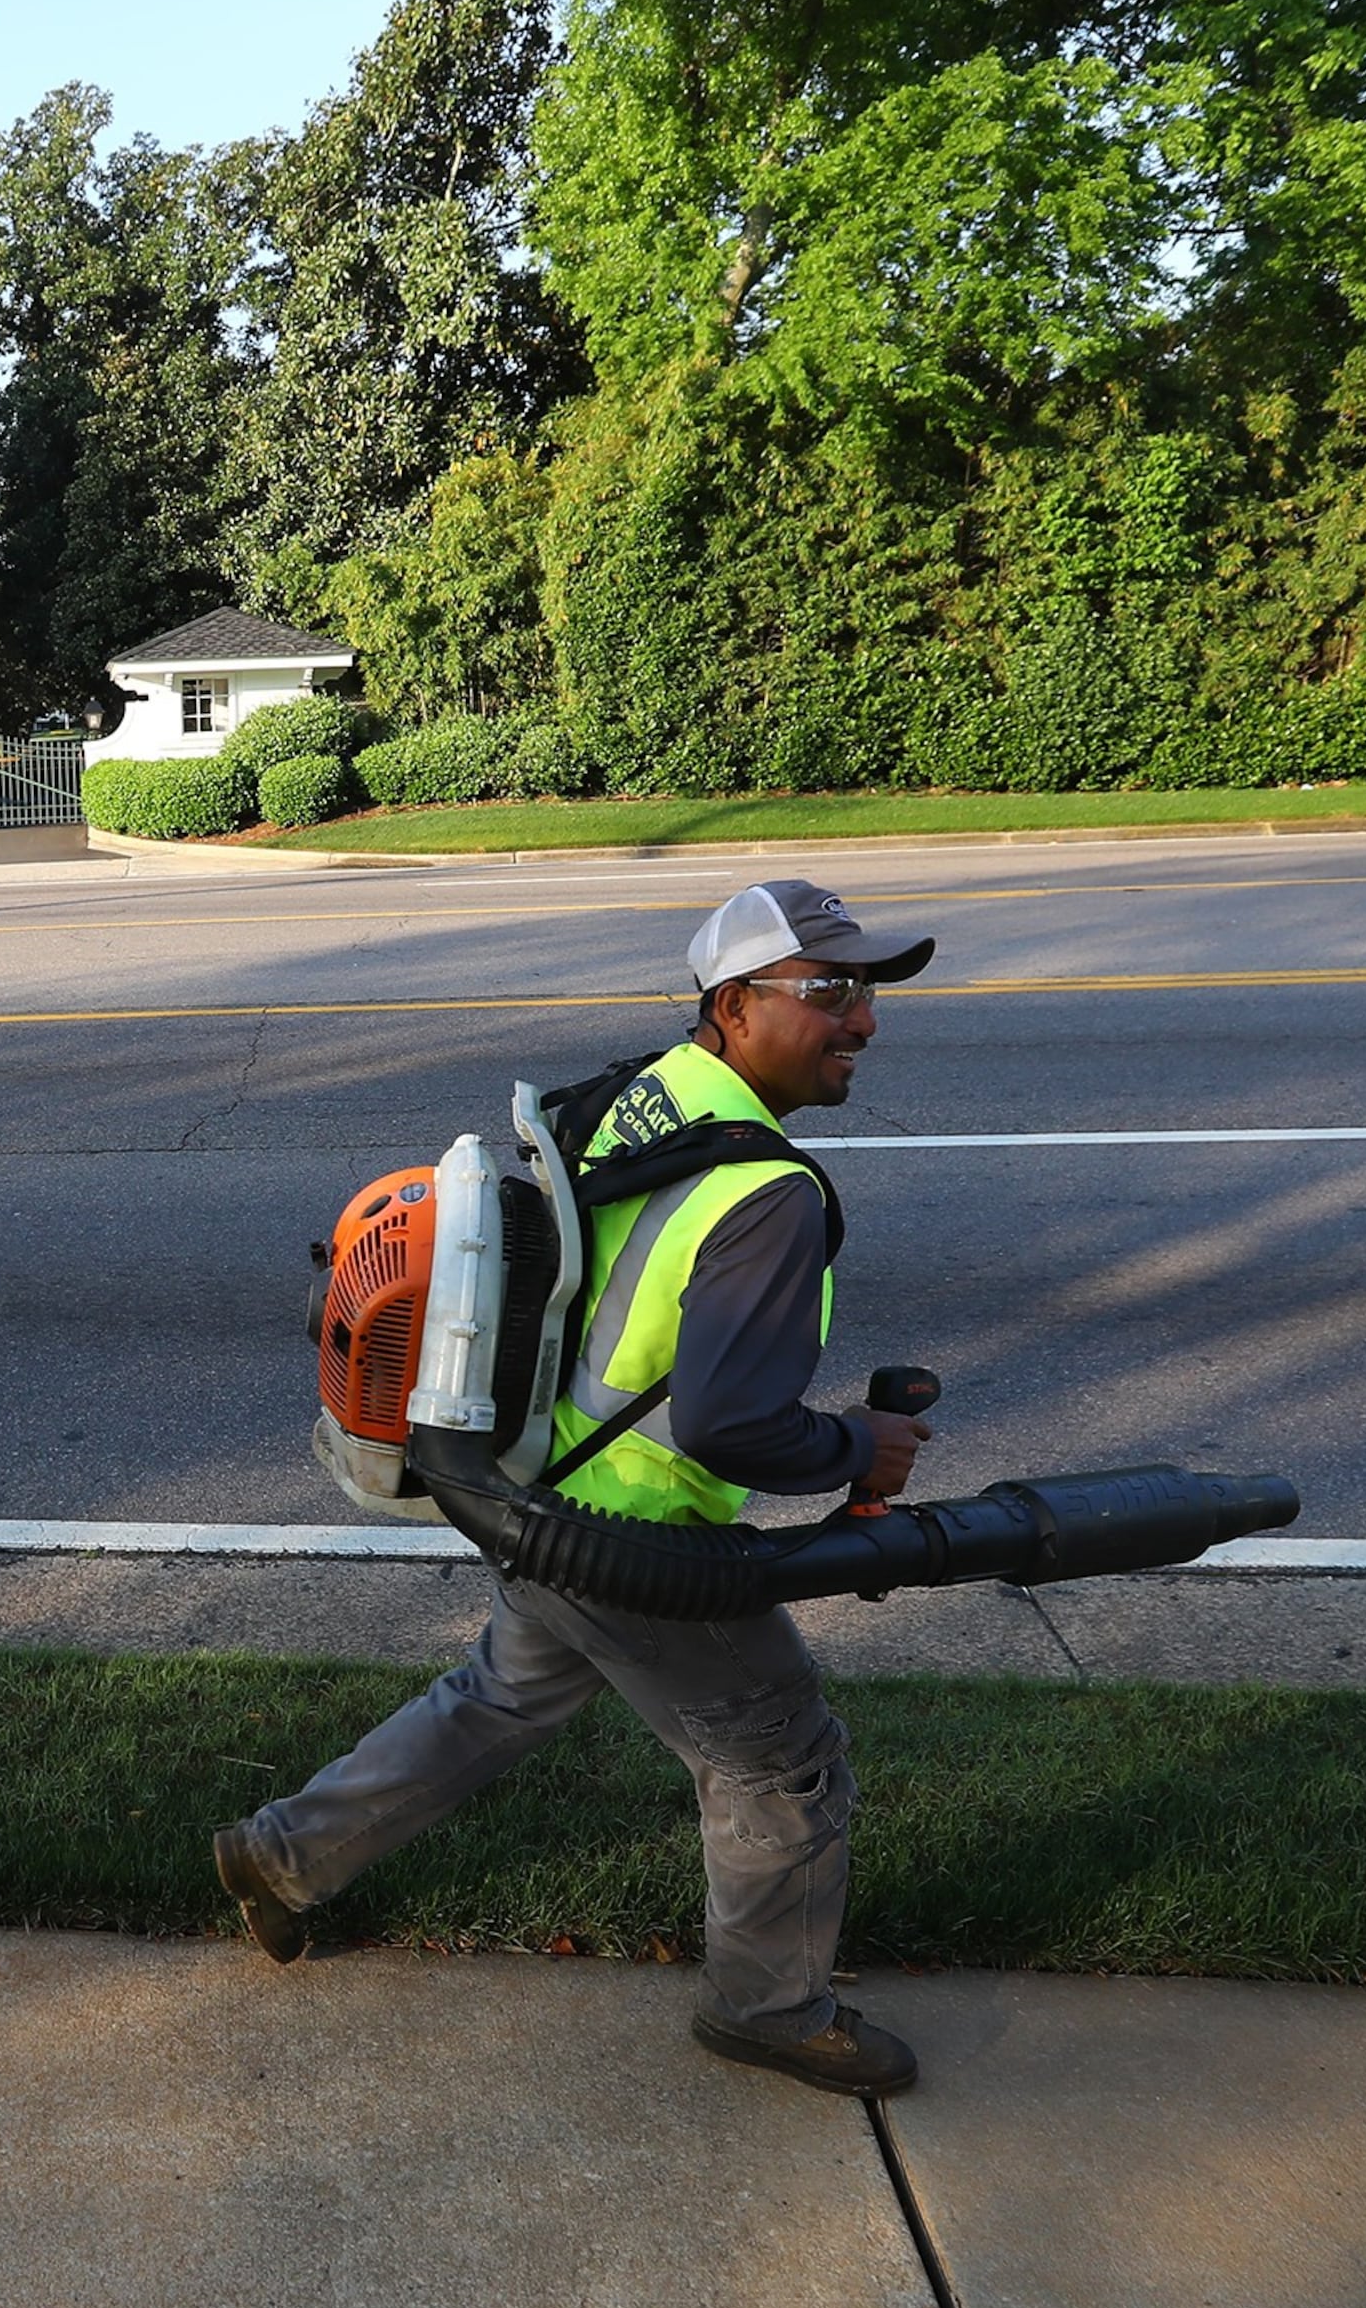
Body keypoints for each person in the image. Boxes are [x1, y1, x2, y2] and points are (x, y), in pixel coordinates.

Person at [215, 878, 940, 2096]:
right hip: (643, 1541)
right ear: (733, 1005)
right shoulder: (767, 1194)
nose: (861, 1020)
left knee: (492, 1701)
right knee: (784, 1762)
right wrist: (858, 1450)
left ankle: (281, 1855)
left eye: (863, 991)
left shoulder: (643, 1092)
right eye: (829, 991)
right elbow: (727, 1427)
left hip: (538, 1489)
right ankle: (767, 2006)